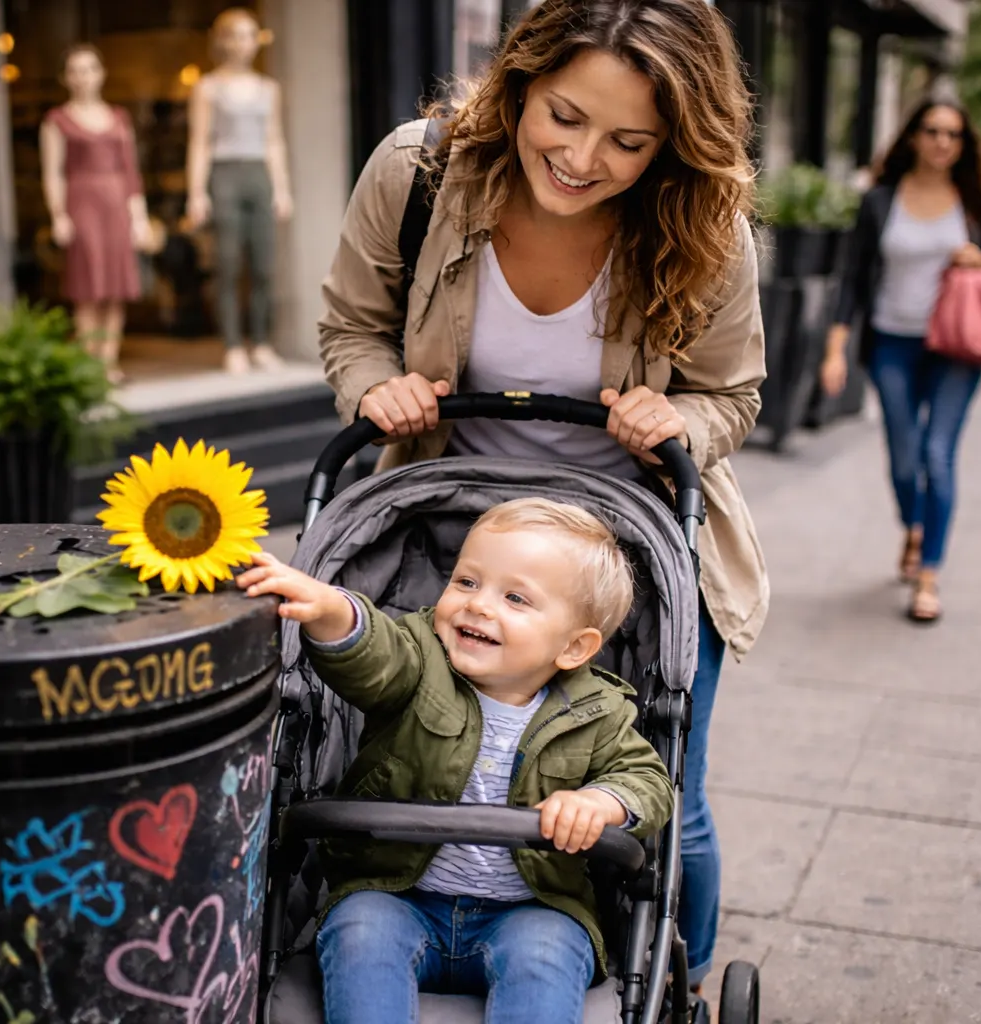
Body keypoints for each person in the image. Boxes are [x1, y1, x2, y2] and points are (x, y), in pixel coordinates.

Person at [317, 0, 768, 990]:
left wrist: (678, 424)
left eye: (628, 141)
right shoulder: (419, 171)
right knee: (393, 733)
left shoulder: (705, 223)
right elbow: (351, 328)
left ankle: (664, 982)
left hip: (632, 530)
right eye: (563, 116)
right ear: (520, 81)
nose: (581, 157)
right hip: (447, 519)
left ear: (672, 146)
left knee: (663, 781)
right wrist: (373, 388)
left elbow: (731, 393)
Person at [238, 498, 674, 1024]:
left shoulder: (598, 712)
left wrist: (600, 802)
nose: (479, 605)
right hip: (397, 895)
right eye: (466, 582)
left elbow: (647, 779)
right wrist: (334, 612)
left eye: (515, 598)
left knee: (546, 953)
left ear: (575, 648)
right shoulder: (419, 660)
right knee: (360, 933)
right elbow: (375, 658)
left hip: (532, 909)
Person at [819, 100, 981, 623]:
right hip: (891, 344)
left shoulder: (974, 201)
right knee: (904, 457)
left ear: (963, 143)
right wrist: (835, 350)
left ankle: (928, 574)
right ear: (913, 137)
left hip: (956, 346)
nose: (942, 141)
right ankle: (916, 527)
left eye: (953, 133)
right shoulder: (880, 200)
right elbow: (851, 280)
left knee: (938, 454)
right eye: (932, 130)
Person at [186, 7, 292, 373]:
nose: (244, 43)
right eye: (236, 34)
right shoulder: (208, 87)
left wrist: (282, 188)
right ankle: (232, 344)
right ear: (223, 40)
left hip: (258, 172)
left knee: (263, 264)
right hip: (224, 172)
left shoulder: (268, 88)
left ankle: (261, 341)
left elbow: (274, 140)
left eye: (250, 34)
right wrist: (196, 192)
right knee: (228, 263)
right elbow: (199, 141)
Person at [40, 44, 151, 385]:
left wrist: (139, 215)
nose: (83, 76)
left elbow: (131, 170)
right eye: (75, 70)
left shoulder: (119, 117)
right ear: (65, 78)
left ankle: (109, 363)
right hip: (82, 204)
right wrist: (59, 214)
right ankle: (89, 366)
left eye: (89, 68)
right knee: (88, 287)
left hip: (117, 204)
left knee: (116, 287)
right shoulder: (56, 120)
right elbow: (53, 172)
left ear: (101, 73)